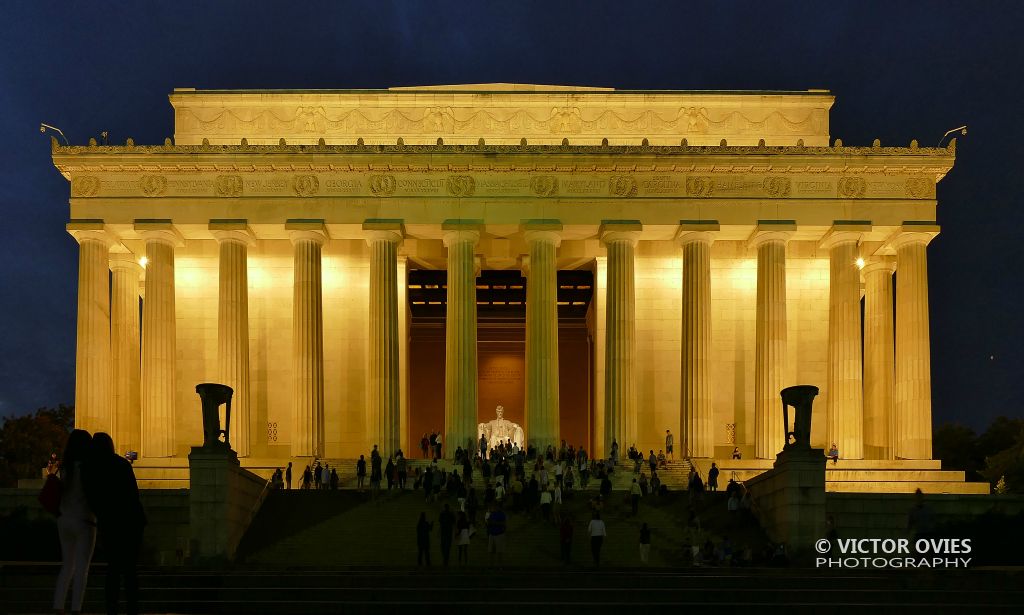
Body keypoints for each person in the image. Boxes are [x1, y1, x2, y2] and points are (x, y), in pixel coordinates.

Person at [85, 432, 146, 615]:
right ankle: (132, 608)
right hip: (129, 521)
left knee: (113, 569)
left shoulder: (92, 470)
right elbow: (133, 494)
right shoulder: (121, 464)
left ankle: (111, 607)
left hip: (110, 522)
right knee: (129, 569)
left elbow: (92, 499)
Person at [52, 429, 96, 615]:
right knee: (82, 568)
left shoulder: (65, 467)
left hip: (64, 519)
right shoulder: (87, 467)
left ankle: (58, 606)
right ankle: (76, 608)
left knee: (67, 565)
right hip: (84, 521)